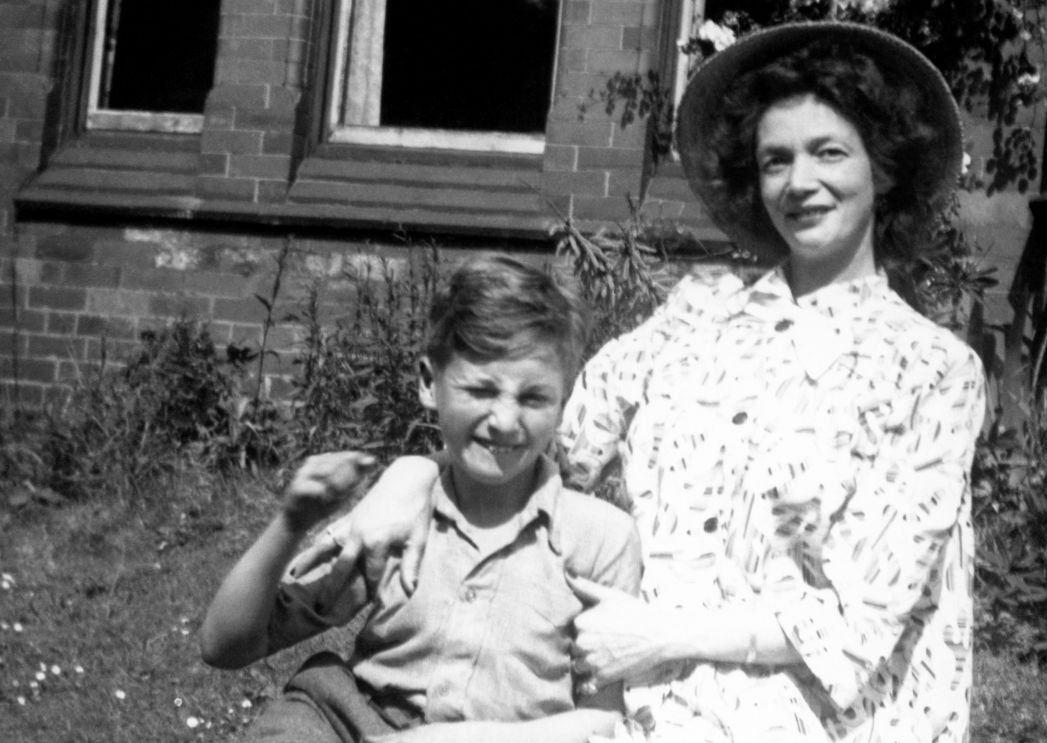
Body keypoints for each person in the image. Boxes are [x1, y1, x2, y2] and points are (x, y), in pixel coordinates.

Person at [339, 21, 985, 743]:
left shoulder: (931, 371)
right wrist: (411, 477)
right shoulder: (691, 319)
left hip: (813, 718)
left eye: (827, 152)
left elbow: (859, 619)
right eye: (775, 160)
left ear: (883, 167)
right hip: (628, 696)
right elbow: (539, 448)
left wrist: (658, 634)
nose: (799, 182)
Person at [199, 255, 643, 743]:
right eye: (480, 389)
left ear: (562, 403)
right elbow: (226, 645)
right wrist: (290, 523)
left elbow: (605, 717)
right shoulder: (396, 513)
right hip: (356, 724)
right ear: (429, 384)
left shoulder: (599, 539)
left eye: (534, 398)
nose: (505, 420)